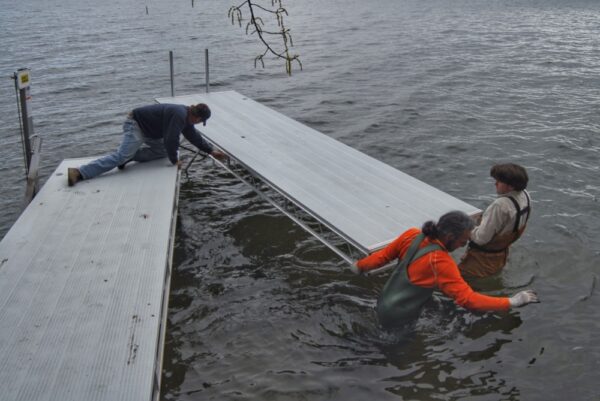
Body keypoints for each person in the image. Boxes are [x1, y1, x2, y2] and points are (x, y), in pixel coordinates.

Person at [352, 211, 538, 328]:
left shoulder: (412, 234)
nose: (462, 246)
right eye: (462, 242)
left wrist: (358, 267)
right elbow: (469, 300)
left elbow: (381, 257)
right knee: (396, 350)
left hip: (384, 303)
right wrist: (511, 302)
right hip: (401, 317)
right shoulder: (441, 263)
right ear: (449, 236)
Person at [67, 103, 226, 186]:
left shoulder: (185, 117)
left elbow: (194, 137)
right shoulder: (180, 114)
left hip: (150, 132)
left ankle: (130, 157)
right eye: (200, 122)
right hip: (136, 125)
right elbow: (171, 139)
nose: (198, 124)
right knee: (121, 155)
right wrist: (175, 161)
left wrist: (211, 151)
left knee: (162, 151)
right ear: (198, 118)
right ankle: (79, 172)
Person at [458, 163, 531, 278]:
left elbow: (481, 239)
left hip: (481, 261)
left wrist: (465, 226)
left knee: (463, 283)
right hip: (501, 255)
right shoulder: (525, 195)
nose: (495, 183)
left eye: (499, 181)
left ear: (511, 186)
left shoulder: (500, 205)